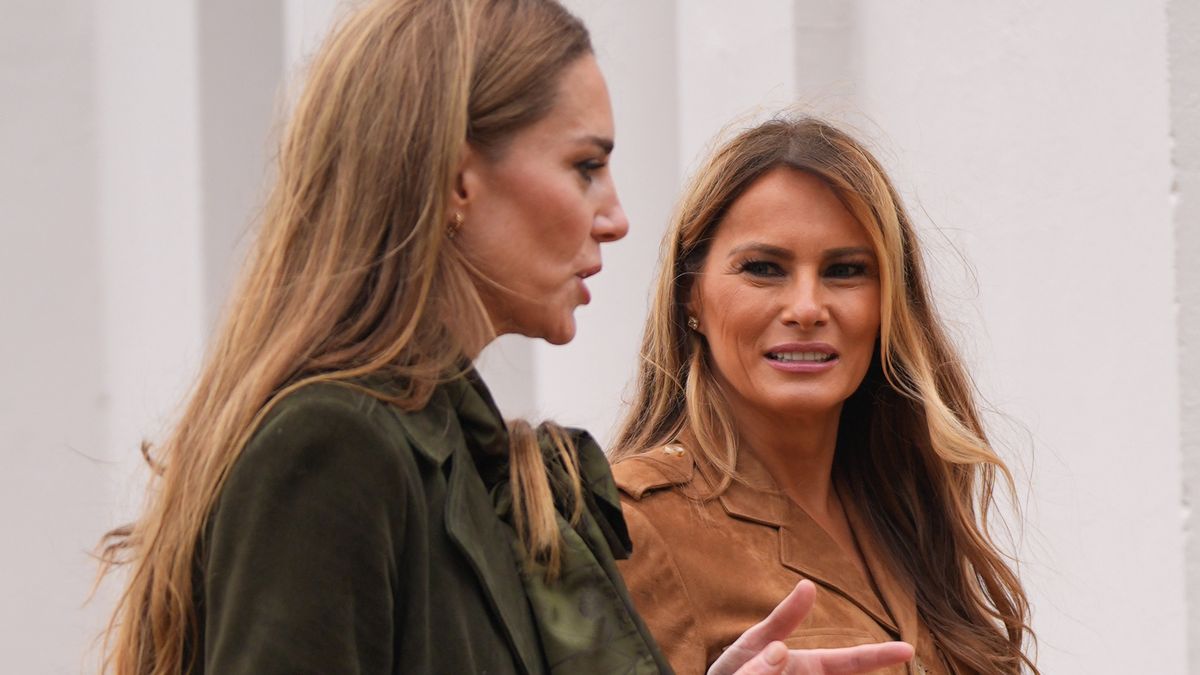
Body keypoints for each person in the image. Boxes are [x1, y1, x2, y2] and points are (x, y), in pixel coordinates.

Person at [93, 2, 915, 674]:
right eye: (585, 167)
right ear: (458, 179)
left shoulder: (459, 452)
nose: (618, 216)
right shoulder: (334, 444)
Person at [609, 116, 1040, 674]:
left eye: (845, 271)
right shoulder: (635, 525)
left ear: (888, 302)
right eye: (763, 269)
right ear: (690, 294)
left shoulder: (907, 510)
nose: (808, 308)